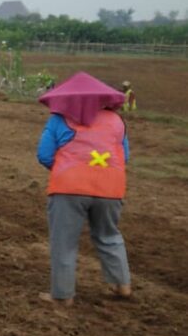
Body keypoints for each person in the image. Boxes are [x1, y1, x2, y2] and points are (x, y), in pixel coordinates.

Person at [36, 72, 132, 306]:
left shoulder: (59, 119)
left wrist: (66, 171)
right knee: (109, 235)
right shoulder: (117, 121)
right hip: (110, 187)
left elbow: (44, 155)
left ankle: (62, 295)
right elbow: (124, 156)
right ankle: (121, 285)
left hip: (69, 188)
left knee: (64, 241)